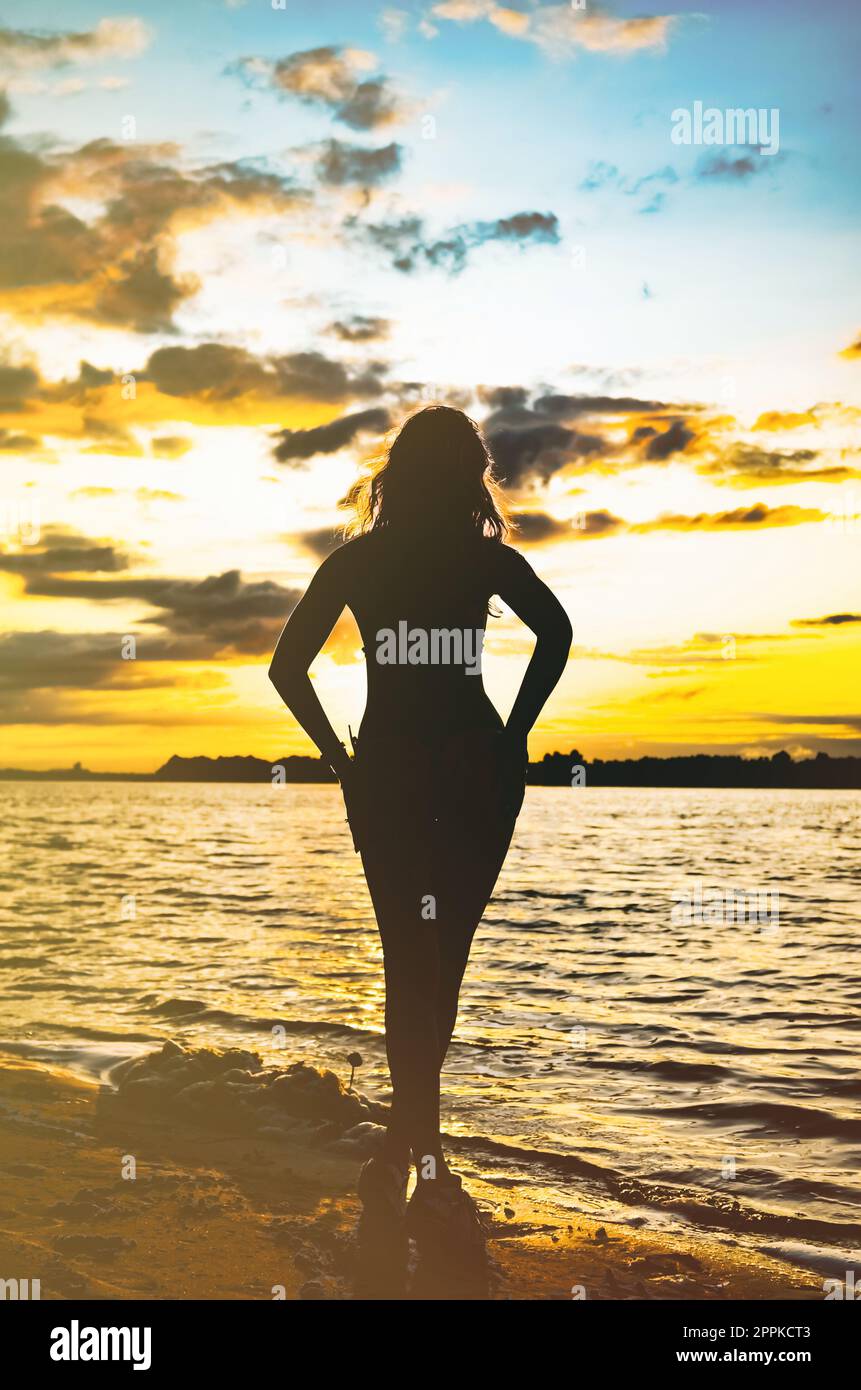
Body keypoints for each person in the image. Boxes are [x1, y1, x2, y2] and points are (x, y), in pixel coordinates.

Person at [269, 405, 571, 1261]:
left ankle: (406, 1149)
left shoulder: (361, 560)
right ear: (465, 477)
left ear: (397, 474)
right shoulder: (482, 560)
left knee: (412, 960)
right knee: (443, 966)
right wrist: (513, 733)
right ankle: (415, 1153)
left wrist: (340, 760)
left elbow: (285, 668)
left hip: (393, 778)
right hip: (477, 773)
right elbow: (556, 634)